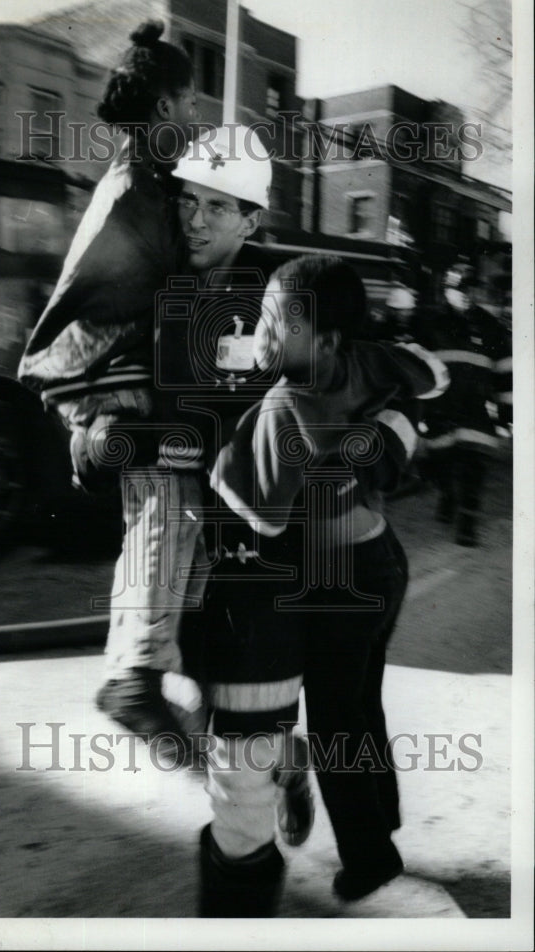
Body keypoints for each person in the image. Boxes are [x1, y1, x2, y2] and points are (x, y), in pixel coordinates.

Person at [184, 248, 449, 914]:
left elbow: (265, 516)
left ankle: (369, 859)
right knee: (362, 705)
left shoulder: (281, 408)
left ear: (322, 337)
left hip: (341, 585)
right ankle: (381, 827)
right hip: (382, 563)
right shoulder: (359, 360)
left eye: (277, 321)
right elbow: (423, 375)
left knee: (334, 721)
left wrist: (214, 478)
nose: (263, 332)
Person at [17, 21, 203, 752]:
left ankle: (125, 669)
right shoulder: (140, 190)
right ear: (162, 106)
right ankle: (136, 679)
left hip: (106, 378)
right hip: (114, 379)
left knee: (150, 518)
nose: (192, 120)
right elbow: (180, 281)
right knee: (170, 506)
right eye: (187, 104)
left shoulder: (135, 179)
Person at [415, 263, 512, 546]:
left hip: (476, 410)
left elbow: (505, 371)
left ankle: (467, 523)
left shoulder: (491, 328)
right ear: (447, 292)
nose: (467, 294)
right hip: (439, 410)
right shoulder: (430, 325)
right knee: (440, 462)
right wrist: (416, 412)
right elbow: (416, 370)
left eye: (471, 288)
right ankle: (447, 494)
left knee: (475, 465)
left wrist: (506, 414)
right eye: (460, 289)